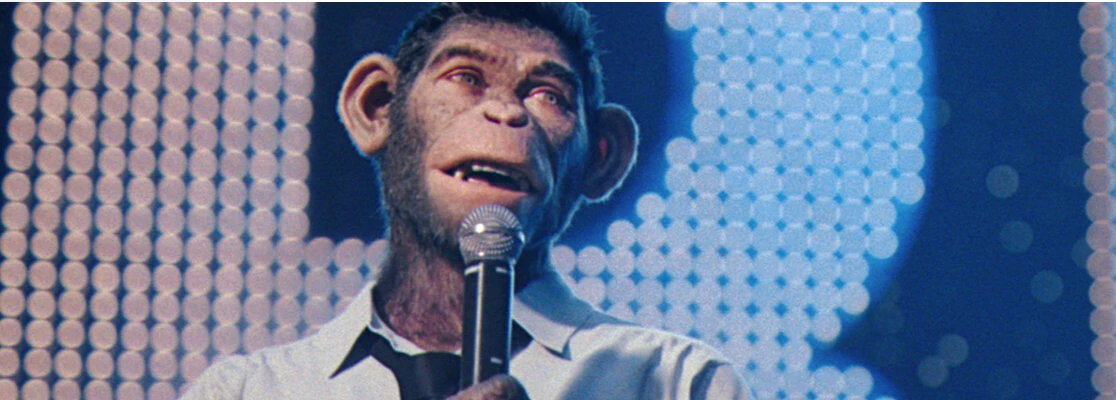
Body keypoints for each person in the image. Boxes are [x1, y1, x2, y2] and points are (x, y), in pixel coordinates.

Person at [184, 3, 750, 399]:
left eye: (548, 95)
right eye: (467, 77)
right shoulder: (248, 391)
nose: (506, 112)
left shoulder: (675, 383)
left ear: (601, 158)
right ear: (376, 108)